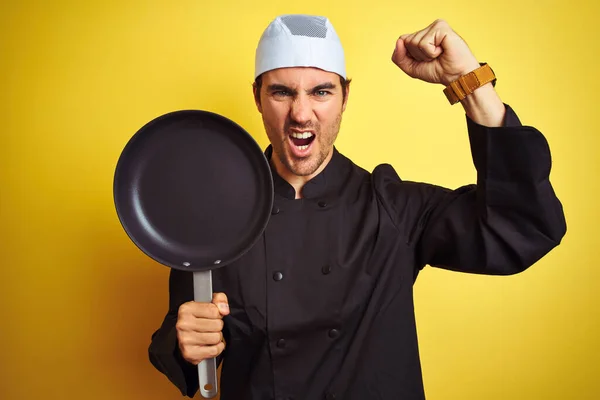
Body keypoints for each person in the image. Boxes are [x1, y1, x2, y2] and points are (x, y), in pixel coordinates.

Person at [148, 15, 566, 400]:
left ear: (345, 97)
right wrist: (185, 345)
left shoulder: (395, 208)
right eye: (281, 92)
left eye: (321, 92)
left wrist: (469, 82)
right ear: (257, 97)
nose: (301, 114)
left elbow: (520, 229)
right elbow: (181, 337)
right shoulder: (216, 219)